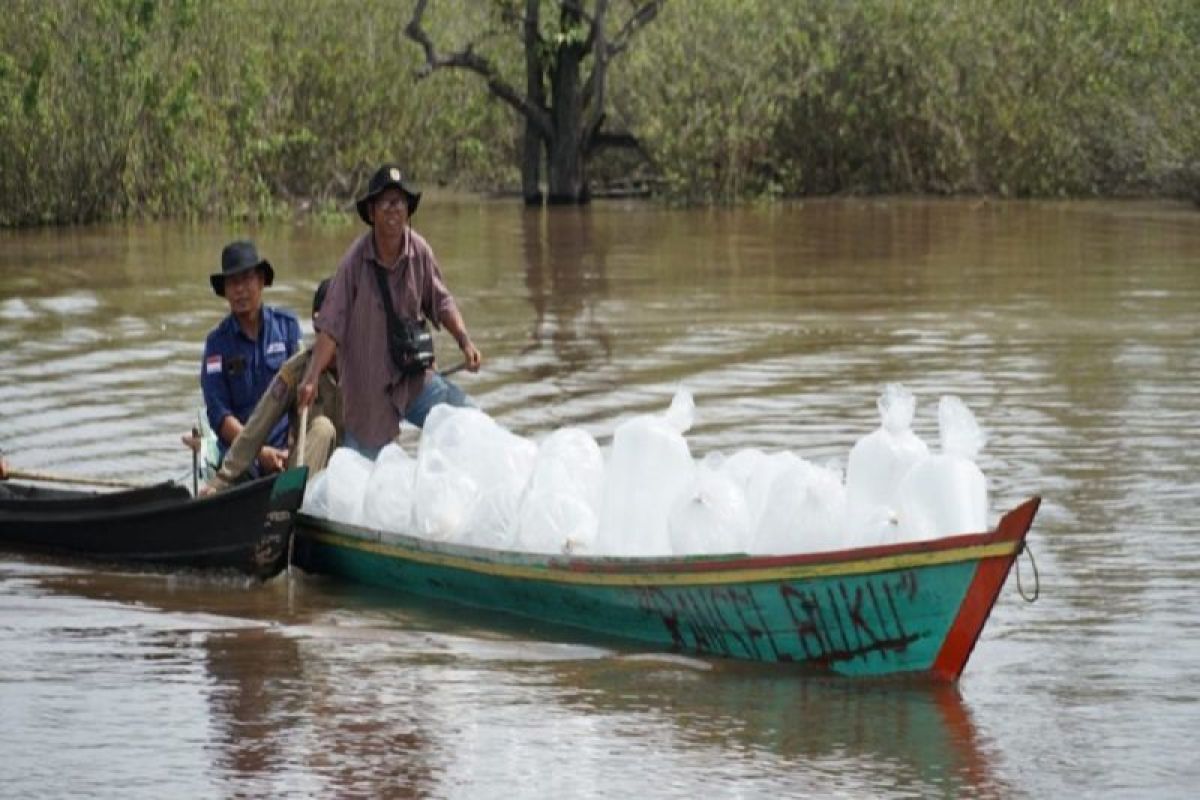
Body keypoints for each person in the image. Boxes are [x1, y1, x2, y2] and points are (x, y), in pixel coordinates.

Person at [297, 164, 481, 459]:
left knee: (469, 422)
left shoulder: (419, 251)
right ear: (371, 212)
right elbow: (331, 325)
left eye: (400, 202)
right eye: (385, 202)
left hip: (412, 379)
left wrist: (465, 341)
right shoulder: (354, 263)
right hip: (369, 393)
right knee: (368, 479)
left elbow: (442, 301)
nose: (393, 210)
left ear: (408, 210)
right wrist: (311, 377)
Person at [202, 279, 343, 494]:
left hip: (346, 476)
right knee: (323, 428)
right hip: (301, 473)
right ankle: (290, 503)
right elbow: (255, 429)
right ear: (317, 323)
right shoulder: (297, 370)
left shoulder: (365, 373)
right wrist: (220, 481)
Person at [201, 240, 302, 474]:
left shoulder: (287, 327)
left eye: (246, 279)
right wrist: (259, 452)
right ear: (224, 291)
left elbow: (301, 393)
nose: (239, 290)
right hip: (241, 455)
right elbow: (218, 412)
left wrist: (293, 445)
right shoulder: (216, 344)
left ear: (260, 281)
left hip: (288, 448)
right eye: (232, 283)